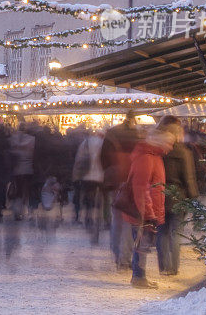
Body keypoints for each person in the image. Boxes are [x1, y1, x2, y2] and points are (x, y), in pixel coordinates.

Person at [125, 126, 176, 289]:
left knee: (144, 243)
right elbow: (141, 187)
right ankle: (138, 277)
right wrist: (148, 213)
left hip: (149, 209)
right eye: (170, 143)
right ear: (161, 142)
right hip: (144, 211)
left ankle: (140, 276)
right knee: (142, 243)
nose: (171, 147)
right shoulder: (147, 158)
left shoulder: (154, 157)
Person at [156, 116, 199, 276]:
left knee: (162, 232)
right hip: (178, 196)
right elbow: (188, 177)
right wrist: (193, 197)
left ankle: (163, 266)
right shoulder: (184, 152)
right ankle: (173, 267)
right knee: (176, 232)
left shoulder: (158, 150)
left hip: (160, 195)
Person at [101, 111, 141, 269]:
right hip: (131, 181)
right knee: (129, 220)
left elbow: (103, 158)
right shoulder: (138, 135)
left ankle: (116, 251)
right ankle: (125, 256)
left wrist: (109, 174)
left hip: (115, 180)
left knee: (117, 219)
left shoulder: (112, 133)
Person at [74, 129, 105, 243]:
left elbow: (79, 159)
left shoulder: (85, 143)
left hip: (87, 176)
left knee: (88, 198)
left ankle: (88, 217)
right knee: (99, 199)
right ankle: (98, 218)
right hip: (101, 176)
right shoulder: (103, 143)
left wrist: (77, 175)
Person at [9, 120, 35, 220]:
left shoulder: (12, 139)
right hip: (28, 169)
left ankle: (17, 211)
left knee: (18, 191)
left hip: (16, 170)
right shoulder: (32, 139)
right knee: (27, 191)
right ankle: (29, 211)